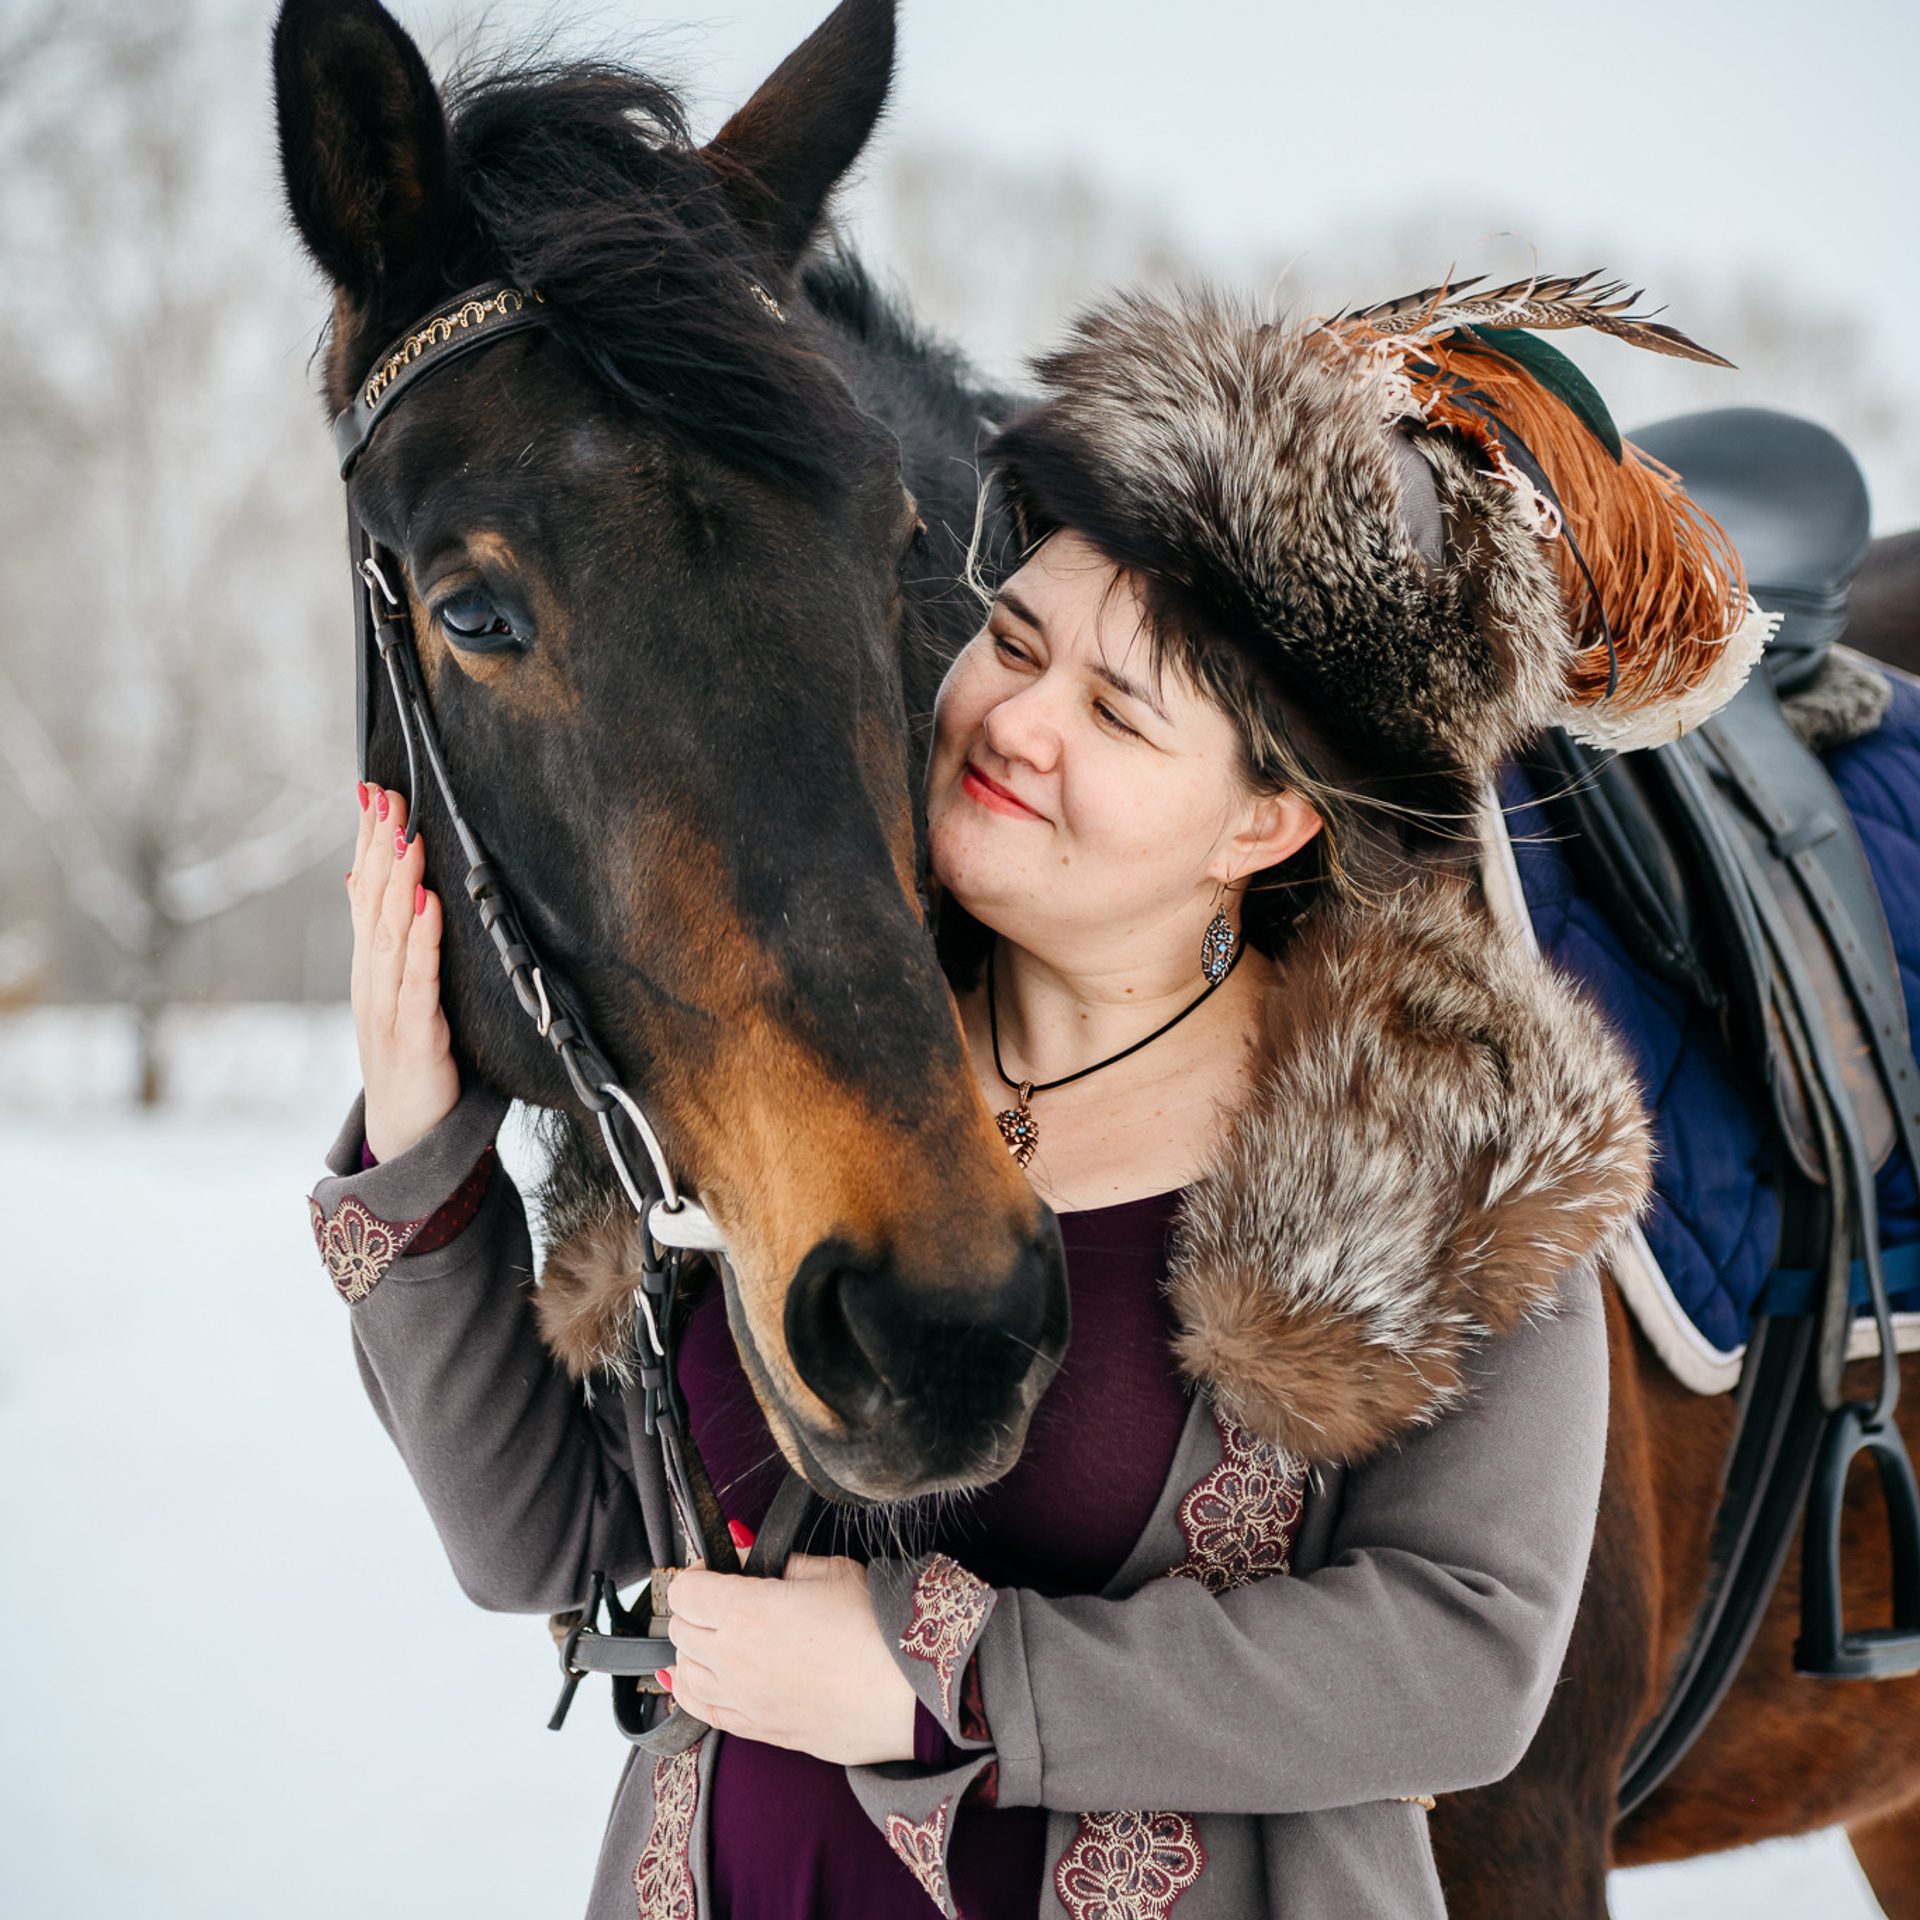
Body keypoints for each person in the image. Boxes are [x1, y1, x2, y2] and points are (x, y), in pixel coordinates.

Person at [309, 281, 1764, 1918]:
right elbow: (550, 1547)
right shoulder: (801, 1064)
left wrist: (948, 1678)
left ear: (1262, 830)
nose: (1015, 720)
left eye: (1117, 709)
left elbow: (1464, 1659)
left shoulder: (1435, 1148)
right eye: (1012, 638)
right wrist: (422, 1152)